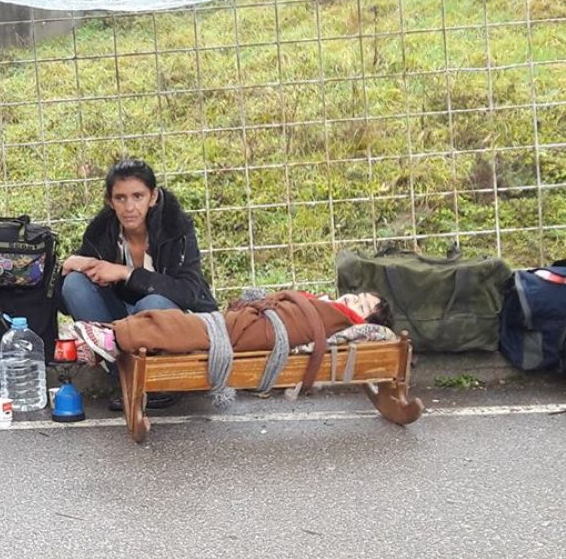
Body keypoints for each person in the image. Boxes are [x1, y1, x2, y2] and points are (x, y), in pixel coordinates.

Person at [60, 158, 217, 410]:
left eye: (137, 196)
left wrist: (126, 273)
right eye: (120, 198)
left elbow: (190, 293)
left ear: (152, 197)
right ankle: (126, 380)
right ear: (110, 201)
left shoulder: (175, 228)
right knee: (74, 284)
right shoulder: (102, 230)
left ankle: (162, 383)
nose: (129, 207)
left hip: (175, 321)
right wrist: (73, 263)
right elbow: (67, 301)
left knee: (151, 305)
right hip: (124, 322)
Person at [74, 290, 393, 363]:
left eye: (362, 306)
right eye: (359, 296)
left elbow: (298, 321)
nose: (353, 300)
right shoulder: (330, 308)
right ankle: (113, 339)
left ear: (363, 320)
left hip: (266, 329)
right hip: (264, 321)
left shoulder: (340, 318)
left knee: (189, 328)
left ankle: (115, 337)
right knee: (193, 325)